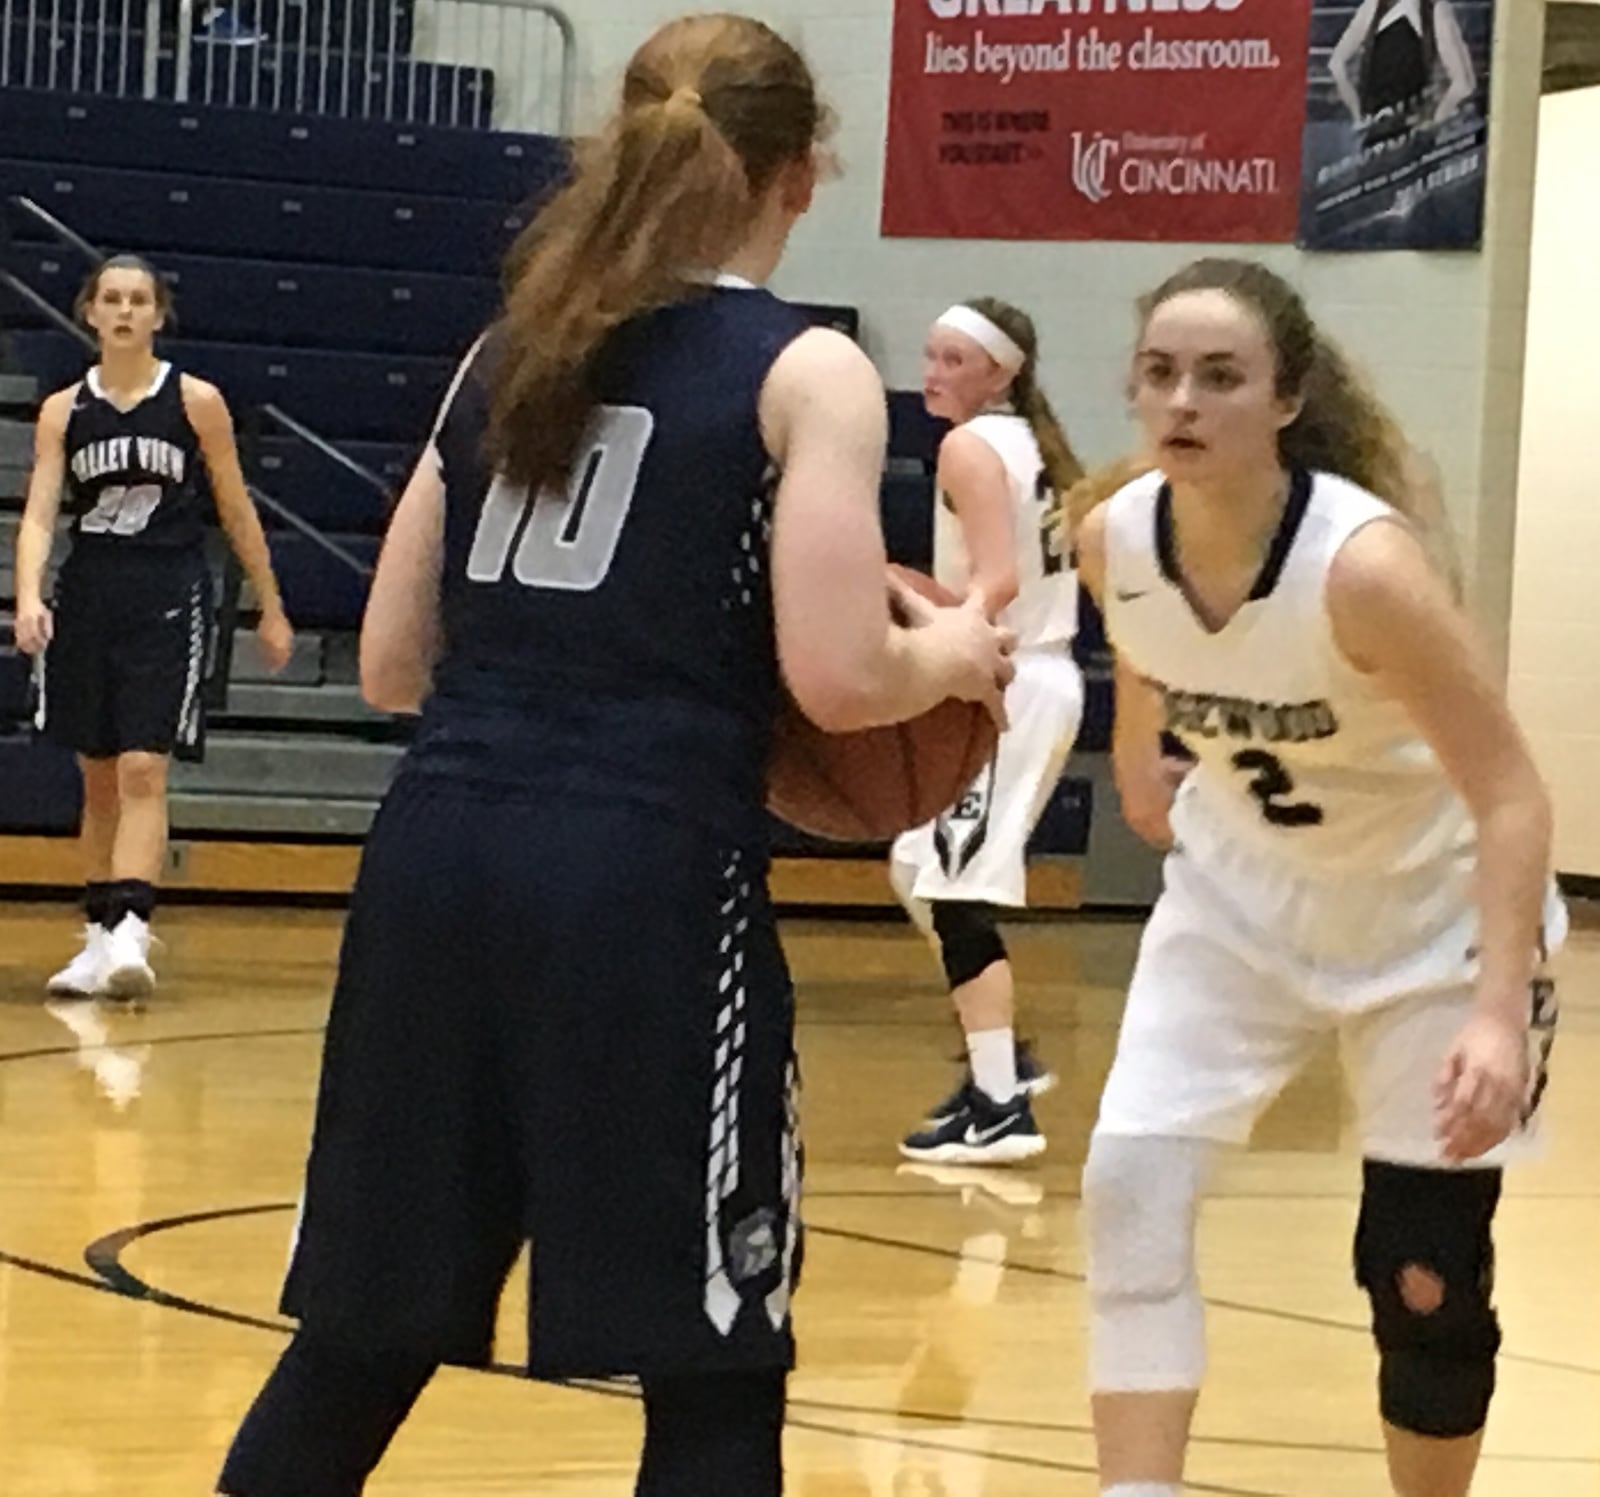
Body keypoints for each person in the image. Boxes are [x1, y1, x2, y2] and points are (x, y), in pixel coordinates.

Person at [214, 15, 1012, 1497]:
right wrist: (956, 658)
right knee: (713, 1364)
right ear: (805, 172)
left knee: (359, 1338)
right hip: (641, 877)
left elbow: (393, 661)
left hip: (436, 854)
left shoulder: (505, 349)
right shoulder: (808, 369)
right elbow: (844, 678)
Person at [1073, 257, 1563, 1497]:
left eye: (1221, 377)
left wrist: (1500, 1014)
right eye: (1160, 373)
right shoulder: (1113, 537)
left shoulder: (1364, 567)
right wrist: (1140, 753)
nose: (1183, 399)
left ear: (1286, 400)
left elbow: (1511, 793)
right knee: (1127, 1191)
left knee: (1423, 1279)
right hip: (1241, 909)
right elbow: (1146, 635)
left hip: (1427, 923)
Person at [12, 254, 293, 1002]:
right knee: (97, 777)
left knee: (143, 767)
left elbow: (235, 507)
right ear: (92, 313)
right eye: (113, 299)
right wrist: (29, 595)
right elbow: (41, 511)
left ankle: (134, 923)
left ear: (158, 316)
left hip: (167, 591)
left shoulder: (196, 401)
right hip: (89, 592)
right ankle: (99, 936)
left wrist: (270, 601)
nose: (127, 310)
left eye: (140, 299)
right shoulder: (64, 411)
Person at [892, 297, 1086, 1166]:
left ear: (1000, 372)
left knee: (954, 892)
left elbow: (997, 579)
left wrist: (926, 631)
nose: (932, 373)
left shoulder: (968, 447)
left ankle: (999, 1104)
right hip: (1041, 673)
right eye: (929, 356)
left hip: (1006, 676)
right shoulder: (1037, 444)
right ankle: (1005, 1049)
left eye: (953, 360)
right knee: (913, 864)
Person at [1329, 0, 1477, 143]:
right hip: (1380, 134)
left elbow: (1464, 84)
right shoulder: (1375, 6)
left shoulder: (1436, 11)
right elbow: (1336, 64)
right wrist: (1358, 115)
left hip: (1406, 133)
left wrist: (1432, 121)